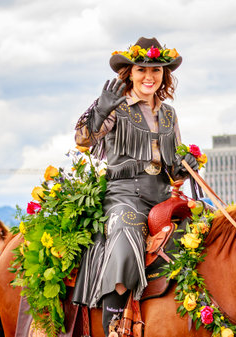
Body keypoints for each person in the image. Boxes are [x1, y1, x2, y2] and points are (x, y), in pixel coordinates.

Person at [72, 37, 198, 336]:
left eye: (156, 71)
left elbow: (173, 164)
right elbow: (81, 141)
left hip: (163, 196)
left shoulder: (169, 113)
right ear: (129, 73)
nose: (149, 77)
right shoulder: (116, 106)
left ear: (164, 76)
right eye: (142, 70)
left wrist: (185, 165)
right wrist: (100, 112)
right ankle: (114, 322)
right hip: (124, 195)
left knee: (206, 231)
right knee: (127, 232)